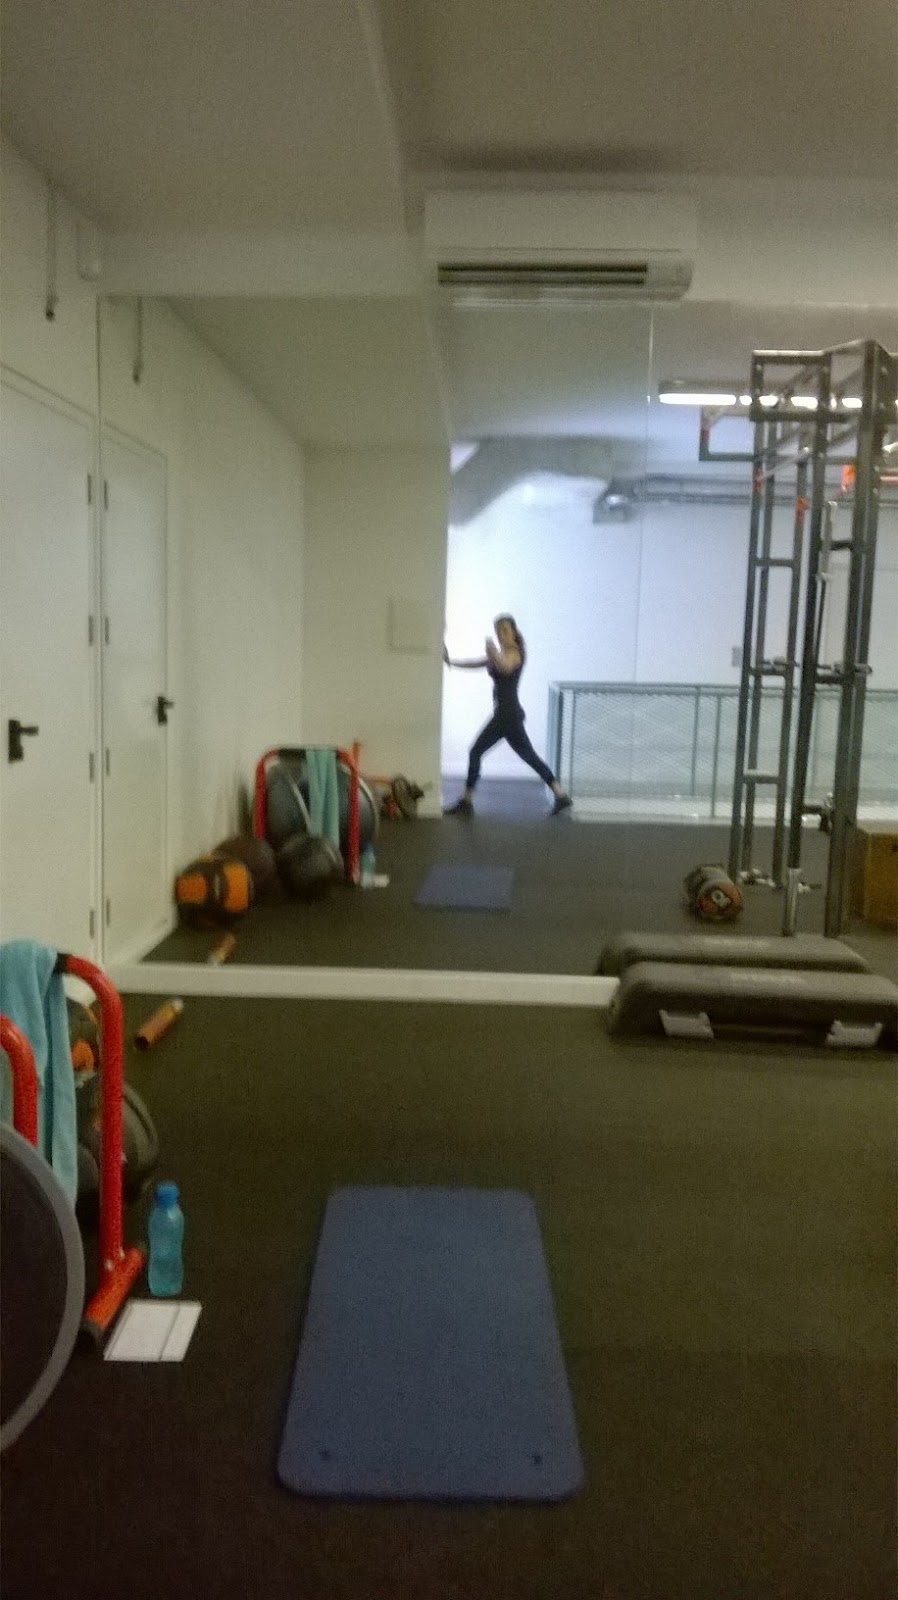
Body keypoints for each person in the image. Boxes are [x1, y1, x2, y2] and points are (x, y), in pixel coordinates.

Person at [443, 615, 573, 816]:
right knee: (528, 756)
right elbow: (476, 663)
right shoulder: (502, 653)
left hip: (507, 714)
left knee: (476, 751)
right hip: (507, 714)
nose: (501, 635)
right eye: (498, 631)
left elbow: (505, 667)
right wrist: (451, 662)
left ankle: (466, 801)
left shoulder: (514, 654)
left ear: (514, 632)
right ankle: (561, 795)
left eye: (504, 630)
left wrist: (493, 652)